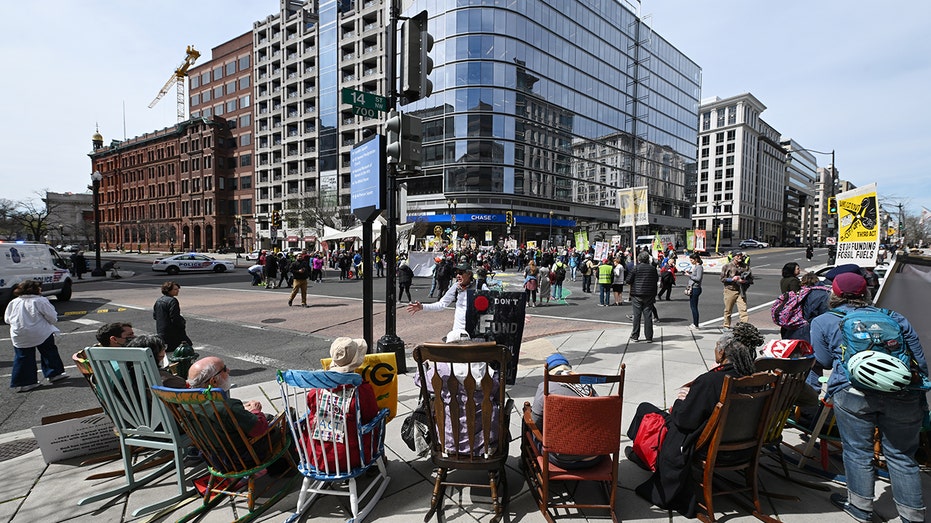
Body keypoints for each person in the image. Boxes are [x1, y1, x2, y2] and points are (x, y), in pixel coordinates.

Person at [810, 272, 927, 523]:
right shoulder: (894, 318)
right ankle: (912, 516)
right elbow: (919, 360)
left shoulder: (823, 321)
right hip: (901, 392)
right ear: (866, 293)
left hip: (852, 393)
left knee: (857, 452)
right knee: (902, 455)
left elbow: (823, 361)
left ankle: (861, 508)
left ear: (835, 294)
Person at [627, 330, 758, 517]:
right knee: (649, 410)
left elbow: (683, 420)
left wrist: (682, 399)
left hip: (707, 444)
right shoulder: (753, 377)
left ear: (721, 353)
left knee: (644, 409)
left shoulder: (712, 380)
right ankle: (639, 454)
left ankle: (641, 455)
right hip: (744, 446)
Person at [187, 356, 288, 470]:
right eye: (224, 369)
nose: (229, 370)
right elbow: (259, 429)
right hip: (243, 459)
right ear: (213, 381)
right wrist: (255, 410)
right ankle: (282, 468)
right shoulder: (227, 406)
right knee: (282, 423)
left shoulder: (186, 405)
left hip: (214, 459)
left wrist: (242, 411)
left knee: (266, 417)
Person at [303, 338, 380, 470]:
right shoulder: (362, 390)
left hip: (317, 456)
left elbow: (311, 406)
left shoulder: (317, 389)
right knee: (376, 421)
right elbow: (371, 416)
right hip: (351, 458)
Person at [529, 353, 602, 469]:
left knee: (527, 421)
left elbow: (535, 422)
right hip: (595, 454)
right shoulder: (586, 386)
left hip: (562, 458)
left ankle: (526, 463)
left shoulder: (546, 386)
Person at [4, 280, 68, 391]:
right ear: (35, 289)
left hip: (19, 333)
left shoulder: (14, 302)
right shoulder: (40, 301)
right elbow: (52, 316)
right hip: (40, 331)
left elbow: (7, 319)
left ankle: (24, 382)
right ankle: (54, 373)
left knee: (23, 356)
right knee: (49, 351)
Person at [407, 263, 484, 341]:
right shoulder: (456, 287)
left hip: (476, 332)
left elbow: (492, 304)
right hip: (458, 332)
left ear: (469, 274)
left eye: (460, 273)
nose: (457, 276)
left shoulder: (480, 286)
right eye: (456, 273)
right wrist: (422, 307)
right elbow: (441, 304)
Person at [626, 251, 659, 343]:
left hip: (637, 294)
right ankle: (649, 336)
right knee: (648, 315)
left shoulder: (636, 268)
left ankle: (635, 335)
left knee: (637, 315)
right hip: (649, 293)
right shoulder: (653, 269)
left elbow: (628, 280)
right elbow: (656, 279)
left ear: (639, 259)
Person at [153, 281, 192, 352]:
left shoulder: (159, 300)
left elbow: (155, 316)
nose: (178, 291)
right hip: (173, 332)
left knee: (167, 350)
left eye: (177, 289)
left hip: (162, 331)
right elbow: (175, 317)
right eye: (175, 289)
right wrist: (182, 323)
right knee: (186, 348)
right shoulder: (172, 301)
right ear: (168, 290)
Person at [720, 251, 752, 329]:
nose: (739, 257)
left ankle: (744, 327)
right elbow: (722, 279)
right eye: (737, 256)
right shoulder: (727, 266)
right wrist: (732, 279)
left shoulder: (745, 267)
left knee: (743, 309)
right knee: (728, 310)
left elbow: (751, 279)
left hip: (741, 291)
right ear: (734, 257)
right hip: (730, 290)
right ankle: (726, 326)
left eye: (740, 256)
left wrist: (744, 281)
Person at [685, 253, 704, 329]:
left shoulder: (699, 267)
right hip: (694, 287)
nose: (691, 261)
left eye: (692, 260)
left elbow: (698, 278)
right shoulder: (697, 267)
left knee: (694, 307)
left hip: (695, 288)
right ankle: (695, 323)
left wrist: (689, 275)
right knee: (693, 306)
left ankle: (695, 323)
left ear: (696, 259)